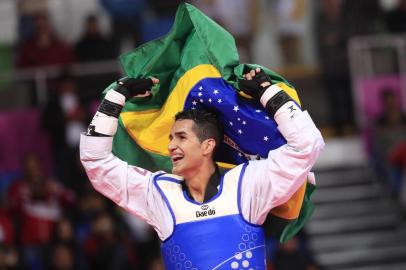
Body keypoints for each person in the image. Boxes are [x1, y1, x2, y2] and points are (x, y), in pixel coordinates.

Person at [80, 68, 324, 269]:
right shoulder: (160, 195)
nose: (171, 146)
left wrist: (268, 92)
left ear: (208, 146)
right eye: (171, 139)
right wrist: (115, 97)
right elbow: (96, 163)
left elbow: (306, 145)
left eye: (181, 137)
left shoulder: (247, 185)